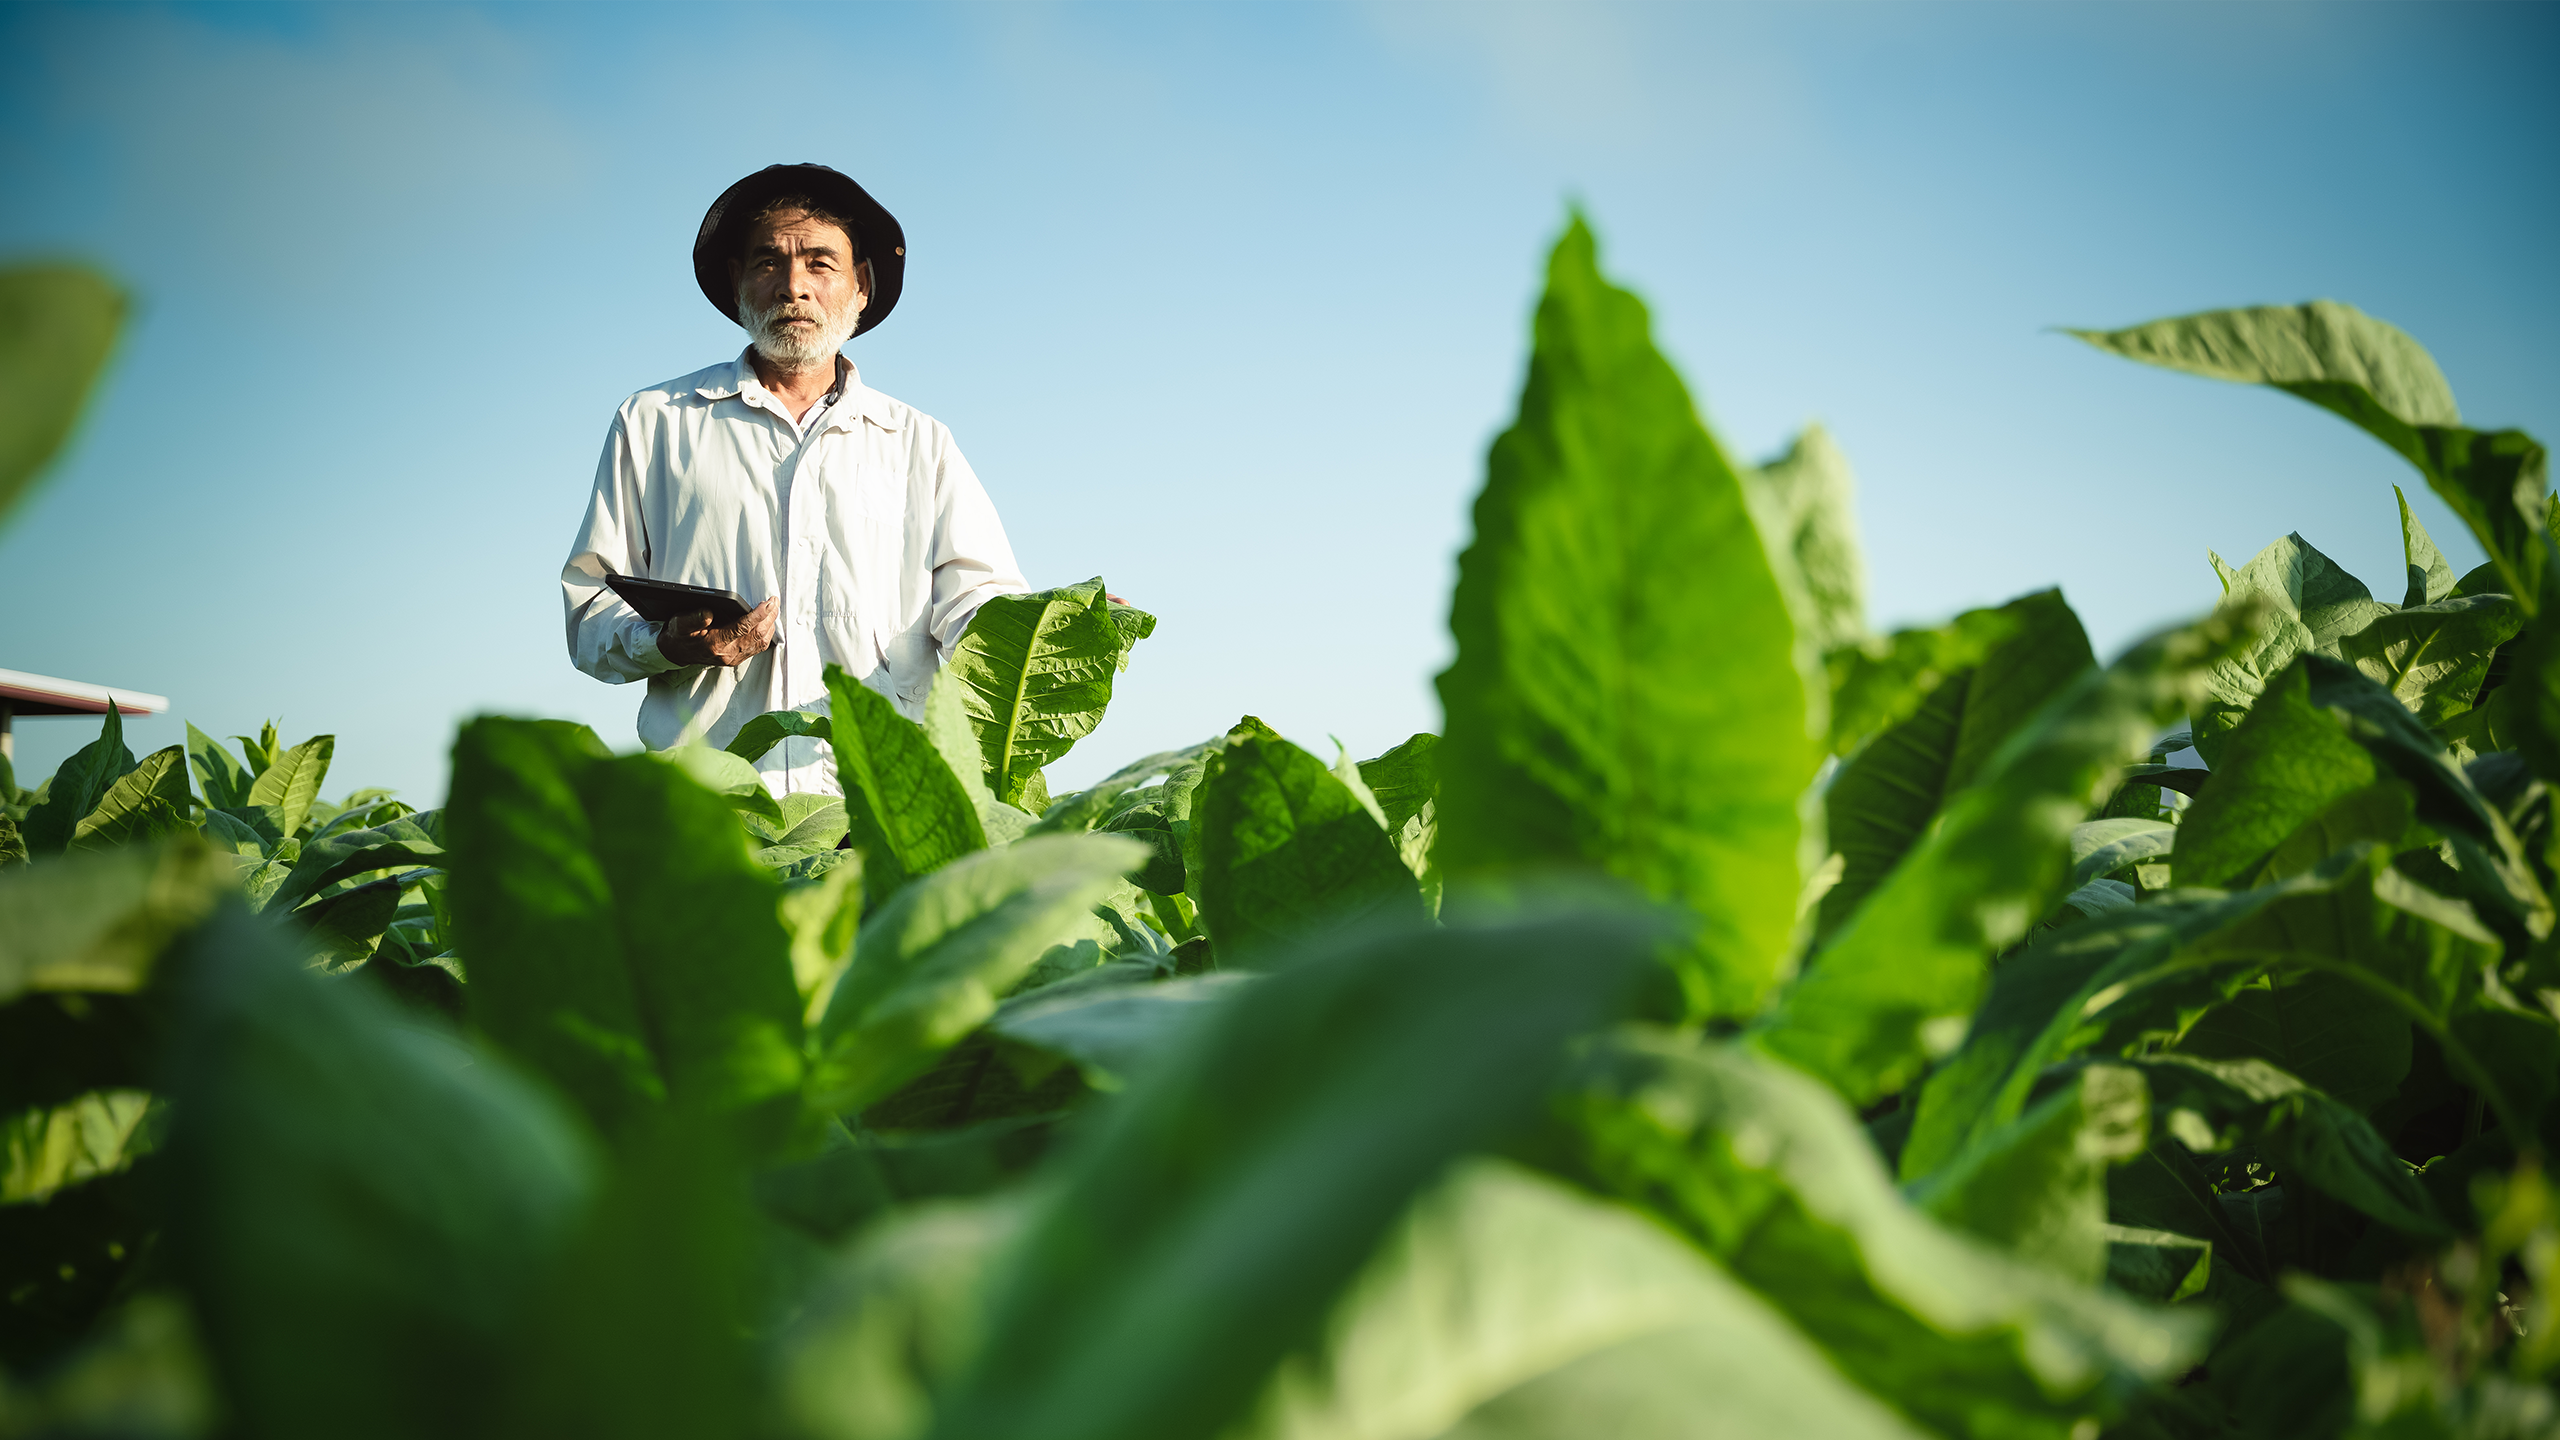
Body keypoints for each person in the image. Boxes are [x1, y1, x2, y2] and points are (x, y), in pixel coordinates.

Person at [561, 164, 1028, 796]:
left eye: (819, 263)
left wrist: (1053, 621)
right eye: (767, 264)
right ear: (737, 282)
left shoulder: (920, 443)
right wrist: (669, 642)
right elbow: (590, 610)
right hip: (710, 802)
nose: (792, 288)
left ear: (861, 285)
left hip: (876, 797)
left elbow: (975, 603)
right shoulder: (656, 423)